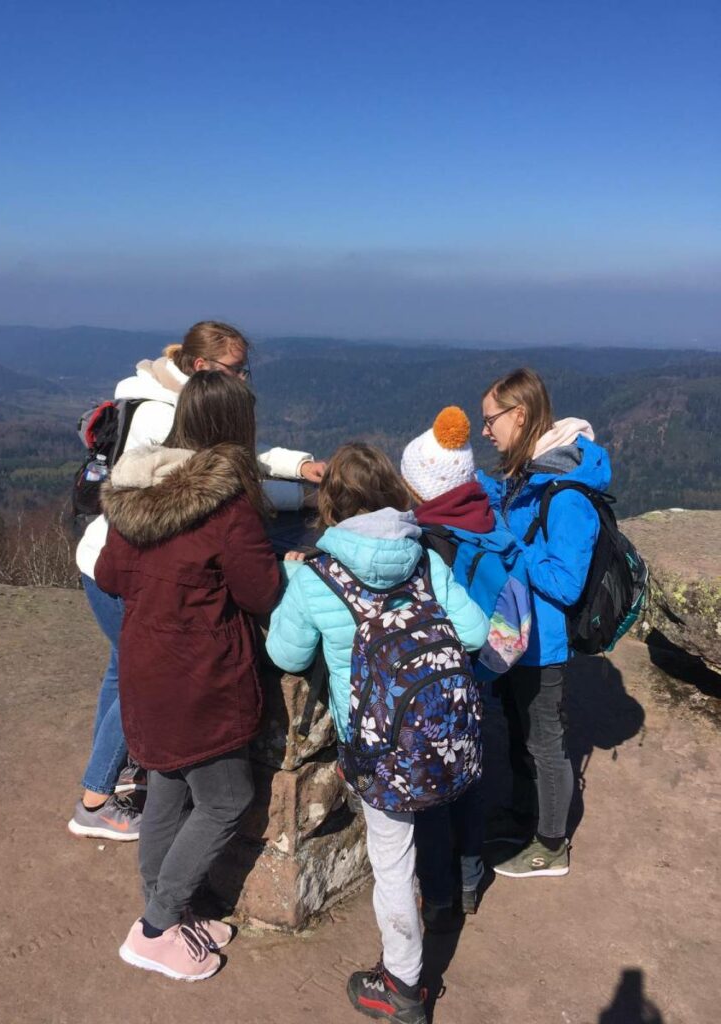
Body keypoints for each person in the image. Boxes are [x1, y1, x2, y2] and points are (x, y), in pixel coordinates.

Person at [69, 320, 325, 841]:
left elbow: (237, 463)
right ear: (203, 365)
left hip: (112, 557)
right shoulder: (163, 415)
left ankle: (117, 775)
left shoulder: (183, 401)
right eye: (237, 369)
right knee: (138, 675)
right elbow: (216, 485)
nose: (245, 378)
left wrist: (298, 470)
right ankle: (95, 799)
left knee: (123, 670)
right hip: (118, 561)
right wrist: (298, 501)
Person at [266, 442, 489, 1024]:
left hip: (375, 747)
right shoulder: (424, 560)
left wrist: (293, 580)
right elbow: (473, 633)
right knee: (428, 818)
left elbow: (286, 655)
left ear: (332, 504)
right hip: (437, 737)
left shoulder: (318, 577)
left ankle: (403, 985)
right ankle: (443, 904)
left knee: (391, 862)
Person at [95, 371, 281, 981]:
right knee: (227, 799)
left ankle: (169, 913)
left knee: (169, 792)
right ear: (237, 428)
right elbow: (260, 593)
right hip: (200, 679)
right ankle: (155, 929)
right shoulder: (227, 505)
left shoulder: (139, 491)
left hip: (145, 669)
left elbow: (111, 574)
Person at [401, 405, 531, 929]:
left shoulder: (429, 540)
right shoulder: (483, 518)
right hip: (478, 677)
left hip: (438, 682)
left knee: (434, 792)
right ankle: (472, 880)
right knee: (471, 779)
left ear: (422, 487)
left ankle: (438, 898)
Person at [478, 367, 611, 878]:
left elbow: (565, 582)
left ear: (519, 415)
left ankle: (551, 845)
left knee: (545, 744)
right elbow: (514, 513)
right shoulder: (530, 474)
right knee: (518, 732)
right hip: (518, 635)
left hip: (545, 642)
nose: (485, 430)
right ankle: (522, 814)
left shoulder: (567, 494)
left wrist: (511, 548)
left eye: (490, 420)